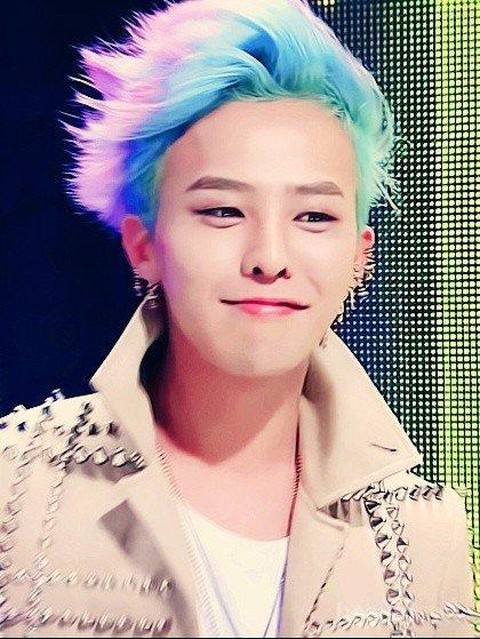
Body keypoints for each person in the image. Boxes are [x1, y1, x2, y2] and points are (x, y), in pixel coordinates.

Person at [0, 0, 477, 637]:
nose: (269, 259)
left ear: (358, 257)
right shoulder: (18, 487)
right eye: (223, 211)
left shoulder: (422, 529)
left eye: (314, 216)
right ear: (144, 246)